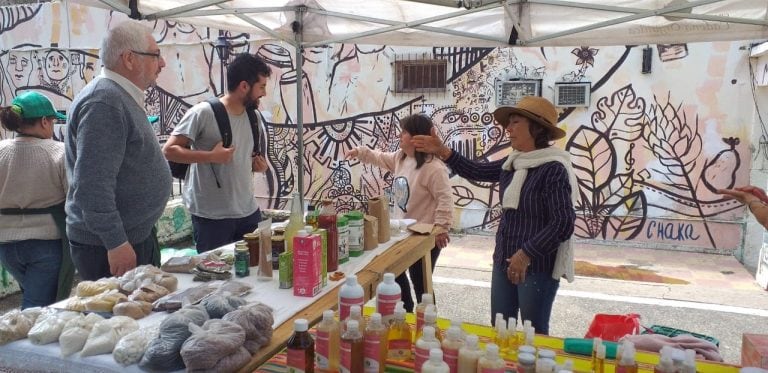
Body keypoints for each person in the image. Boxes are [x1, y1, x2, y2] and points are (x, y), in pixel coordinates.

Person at [412, 96, 576, 335]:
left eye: (515, 122)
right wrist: (442, 151)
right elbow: (476, 170)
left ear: (536, 128)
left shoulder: (553, 169)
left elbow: (563, 223)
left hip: (536, 265)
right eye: (508, 123)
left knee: (535, 334)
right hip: (504, 259)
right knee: (499, 329)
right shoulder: (513, 162)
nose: (507, 129)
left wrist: (526, 253)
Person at [65, 20, 171, 281]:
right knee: (121, 320)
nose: (163, 63)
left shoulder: (116, 96)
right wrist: (115, 242)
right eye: (156, 55)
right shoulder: (105, 101)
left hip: (127, 236)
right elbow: (92, 185)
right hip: (110, 245)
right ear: (129, 59)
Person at [162, 53, 271, 253]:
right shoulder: (203, 112)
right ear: (244, 86)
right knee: (214, 280)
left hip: (248, 211)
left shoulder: (254, 117)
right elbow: (169, 150)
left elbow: (243, 158)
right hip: (211, 217)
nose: (264, 93)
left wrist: (256, 165)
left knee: (254, 273)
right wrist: (210, 156)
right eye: (261, 87)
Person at [345, 114, 453, 312]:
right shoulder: (401, 158)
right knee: (394, 272)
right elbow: (378, 157)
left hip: (425, 236)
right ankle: (406, 312)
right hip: (403, 233)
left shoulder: (434, 168)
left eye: (404, 132)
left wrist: (442, 228)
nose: (399, 135)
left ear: (417, 138)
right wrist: (359, 152)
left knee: (421, 281)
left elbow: (445, 199)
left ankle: (427, 321)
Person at [0, 91, 74, 308]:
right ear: (43, 121)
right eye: (51, 121)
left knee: (35, 301)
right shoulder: (59, 152)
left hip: (5, 245)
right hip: (47, 245)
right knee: (36, 313)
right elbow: (73, 200)